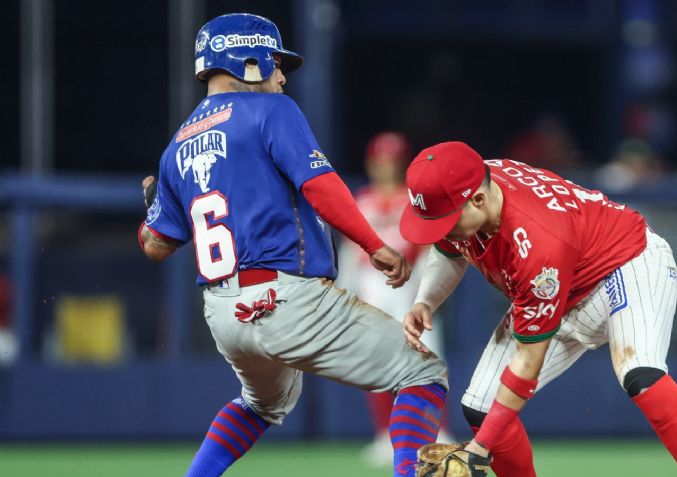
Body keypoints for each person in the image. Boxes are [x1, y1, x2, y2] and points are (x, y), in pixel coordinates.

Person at [137, 13, 447, 477]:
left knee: (259, 405)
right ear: (247, 60)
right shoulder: (271, 110)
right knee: (424, 373)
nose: (281, 75)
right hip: (284, 297)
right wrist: (373, 243)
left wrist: (151, 209)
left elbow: (156, 245)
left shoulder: (176, 146)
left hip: (223, 314)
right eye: (275, 62)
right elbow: (319, 184)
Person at [400, 141, 677, 476]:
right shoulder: (467, 183)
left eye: (444, 220)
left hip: (623, 264)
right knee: (480, 409)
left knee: (641, 375)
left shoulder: (536, 241)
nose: (440, 229)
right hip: (559, 284)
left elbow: (528, 362)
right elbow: (448, 248)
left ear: (479, 199)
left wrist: (479, 449)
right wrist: (426, 300)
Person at [336, 131, 452, 465]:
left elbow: (430, 244)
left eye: (392, 161)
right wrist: (346, 291)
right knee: (375, 361)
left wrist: (430, 289)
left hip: (410, 284)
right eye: (381, 160)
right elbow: (349, 249)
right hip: (371, 285)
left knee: (428, 355)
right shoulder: (362, 199)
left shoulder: (412, 198)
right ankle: (384, 435)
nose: (385, 167)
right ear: (372, 163)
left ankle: (437, 431)